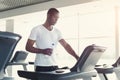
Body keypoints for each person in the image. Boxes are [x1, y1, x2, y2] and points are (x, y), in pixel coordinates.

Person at [25, 8, 79, 72]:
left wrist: (77, 57)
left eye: (57, 18)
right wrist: (42, 51)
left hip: (54, 65)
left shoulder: (57, 31)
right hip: (41, 66)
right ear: (48, 16)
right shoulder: (37, 29)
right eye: (55, 17)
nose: (56, 20)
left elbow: (66, 46)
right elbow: (28, 47)